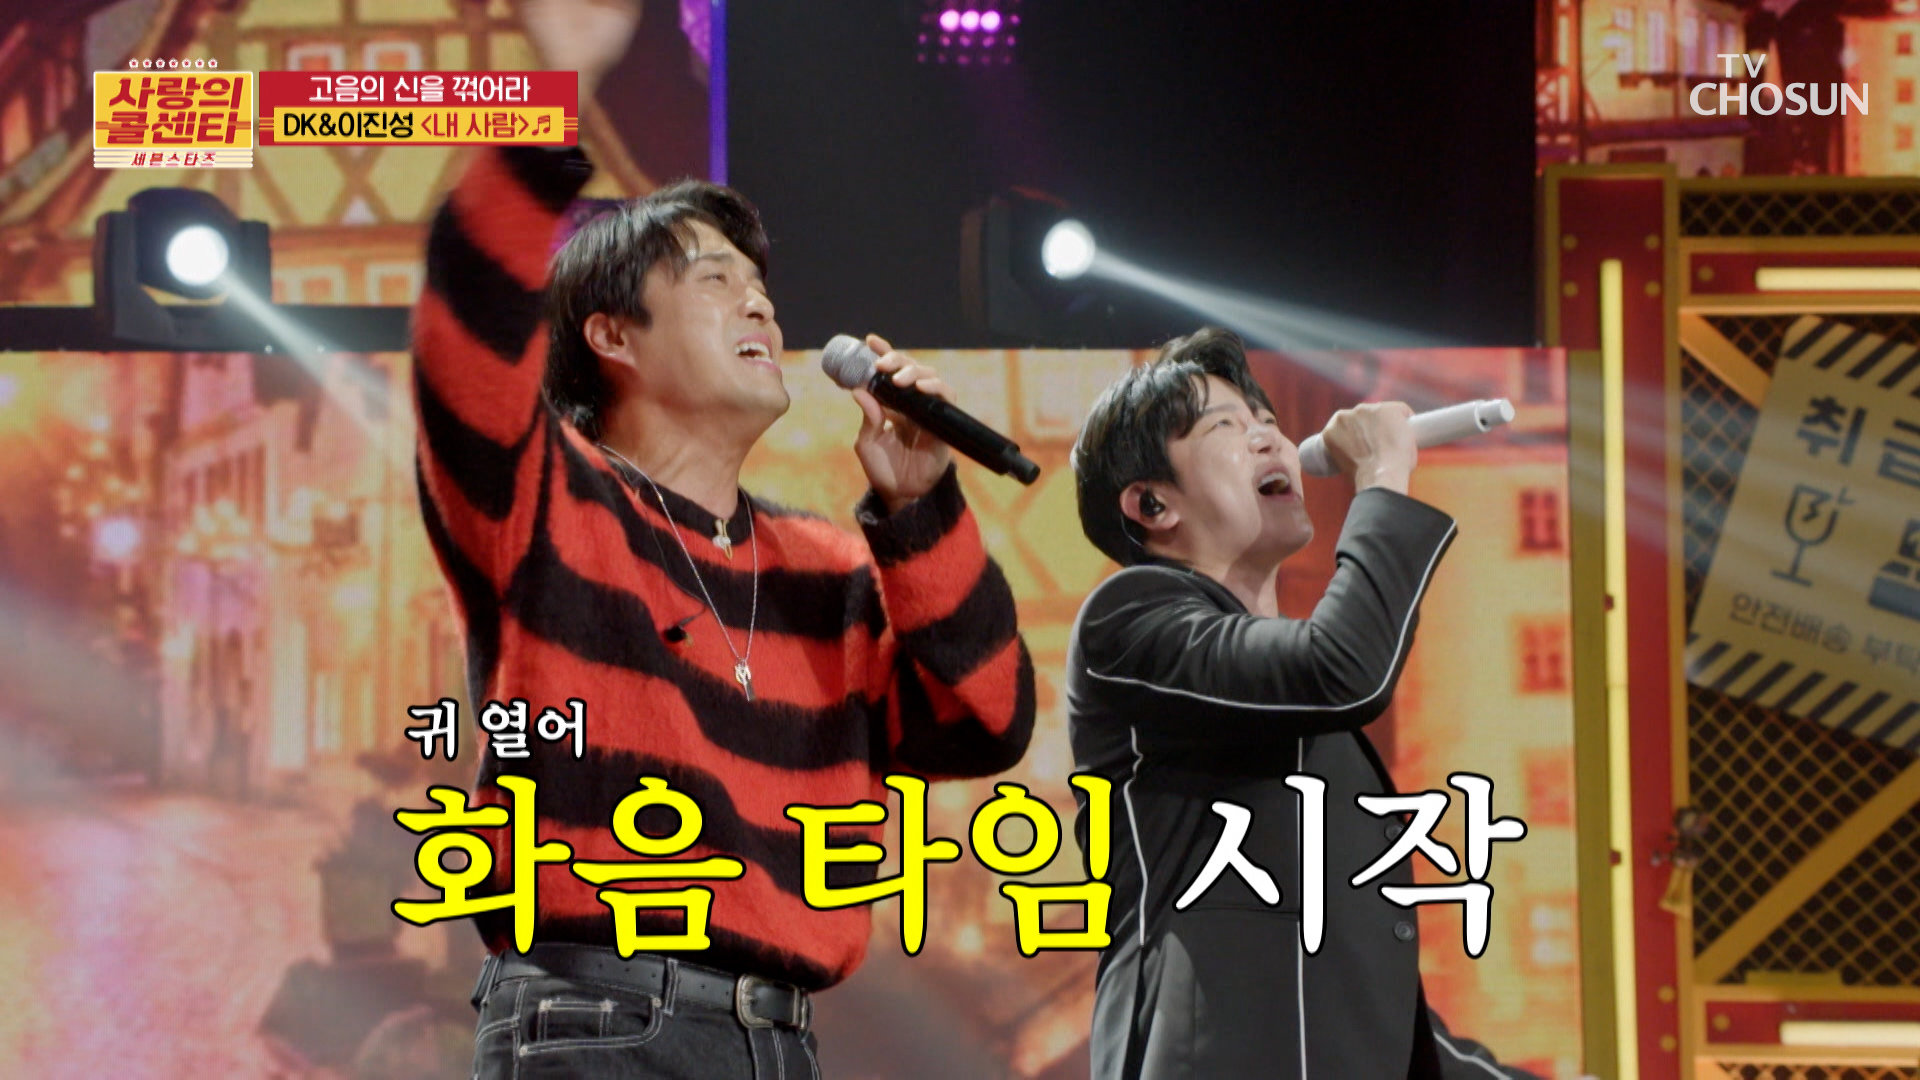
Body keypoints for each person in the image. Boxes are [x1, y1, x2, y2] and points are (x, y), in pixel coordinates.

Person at [412, 3, 1035, 1076]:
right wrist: (556, 88)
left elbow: (985, 725)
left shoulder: (827, 567)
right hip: (595, 1020)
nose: (761, 309)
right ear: (612, 334)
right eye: (715, 281)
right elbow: (465, 339)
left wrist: (922, 505)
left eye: (761, 288)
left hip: (777, 1033)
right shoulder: (548, 500)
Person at [1065, 328, 1541, 1079]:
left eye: (1268, 421)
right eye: (1226, 427)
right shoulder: (1128, 618)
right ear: (1152, 503)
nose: (1270, 439)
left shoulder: (1315, 732)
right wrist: (1381, 477)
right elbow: (1342, 669)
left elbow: (1376, 1010)